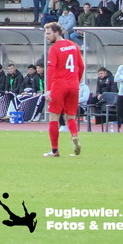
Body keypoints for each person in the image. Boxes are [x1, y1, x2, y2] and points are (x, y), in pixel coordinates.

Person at [42, 22, 84, 158]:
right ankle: (74, 136)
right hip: (73, 85)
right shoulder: (74, 46)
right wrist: (76, 81)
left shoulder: (54, 49)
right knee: (71, 116)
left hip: (59, 85)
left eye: (48, 33)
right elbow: (81, 66)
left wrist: (48, 90)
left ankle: (55, 150)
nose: (46, 36)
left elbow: (51, 69)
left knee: (54, 117)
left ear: (57, 33)